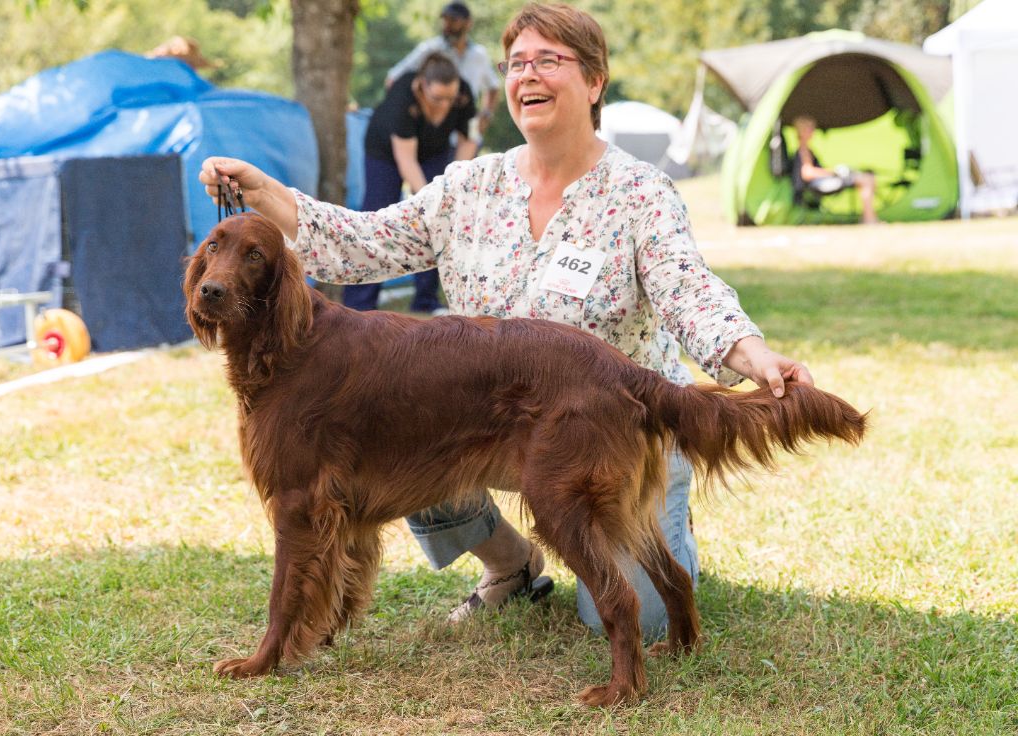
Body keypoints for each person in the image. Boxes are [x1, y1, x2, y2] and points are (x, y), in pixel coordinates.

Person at [199, 2, 814, 637]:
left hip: (607, 427)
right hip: (488, 417)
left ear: (595, 81)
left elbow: (689, 292)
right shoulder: (469, 186)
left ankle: (657, 517)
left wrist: (753, 355)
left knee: (641, 618)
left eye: (549, 60)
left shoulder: (640, 193)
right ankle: (510, 564)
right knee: (395, 418)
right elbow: (363, 242)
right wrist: (263, 191)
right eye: (516, 63)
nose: (528, 76)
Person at [342, 52, 477, 314]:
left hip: (434, 151)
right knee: (377, 221)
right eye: (438, 98)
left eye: (450, 99)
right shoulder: (402, 96)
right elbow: (406, 161)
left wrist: (455, 181)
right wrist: (433, 199)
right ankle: (360, 305)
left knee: (437, 222)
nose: (446, 105)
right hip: (385, 153)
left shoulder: (464, 93)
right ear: (422, 86)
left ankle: (426, 300)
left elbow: (469, 139)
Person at [386, 2, 500, 143]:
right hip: (433, 132)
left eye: (453, 20)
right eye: (445, 20)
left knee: (472, 152)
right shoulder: (430, 49)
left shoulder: (479, 55)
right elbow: (393, 79)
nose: (447, 25)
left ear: (468, 23)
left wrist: (486, 115)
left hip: (467, 130)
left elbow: (494, 87)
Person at [792, 115, 880, 225]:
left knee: (867, 178)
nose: (812, 132)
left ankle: (869, 217)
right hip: (817, 185)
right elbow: (807, 173)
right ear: (802, 131)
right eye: (809, 128)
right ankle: (869, 218)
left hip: (821, 182)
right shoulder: (803, 151)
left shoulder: (807, 150)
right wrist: (832, 172)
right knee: (866, 180)